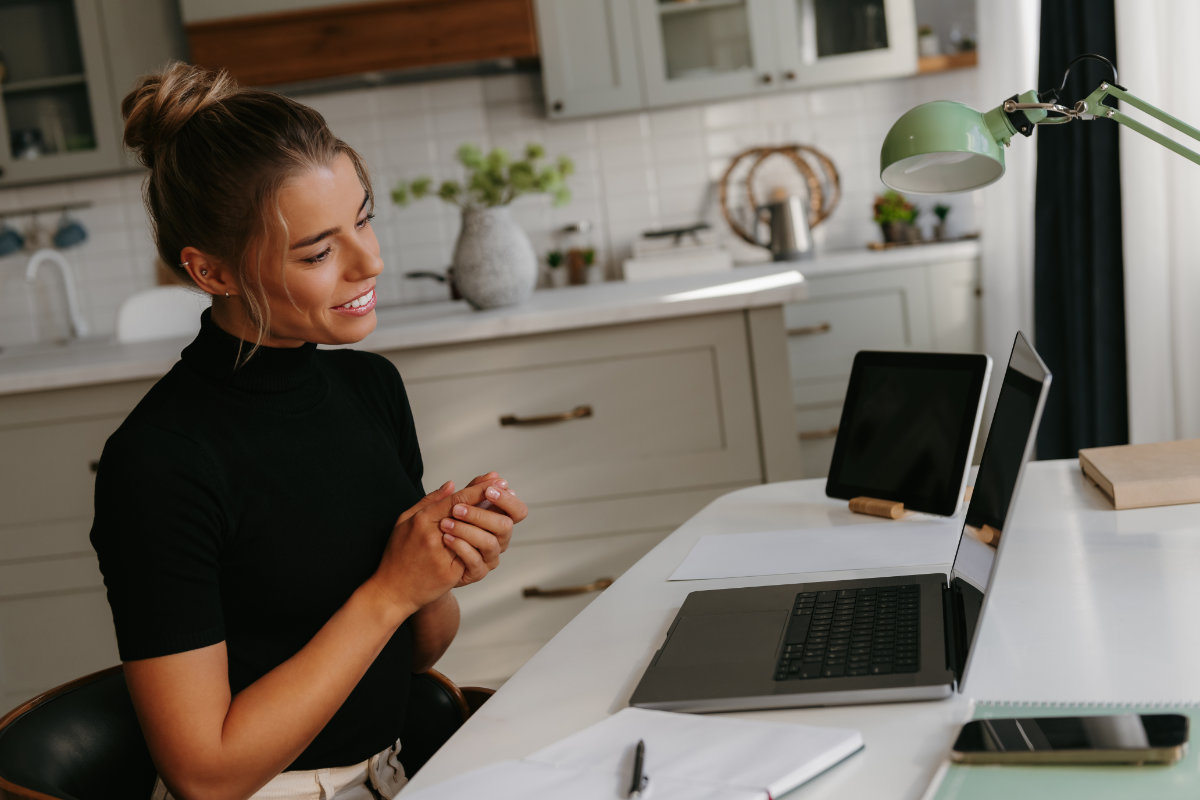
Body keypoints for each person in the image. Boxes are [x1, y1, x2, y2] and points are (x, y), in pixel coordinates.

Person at [89, 61, 527, 800]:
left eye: (363, 218)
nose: (371, 261)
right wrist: (388, 592)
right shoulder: (159, 462)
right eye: (319, 251)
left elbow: (417, 653)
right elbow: (204, 774)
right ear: (212, 271)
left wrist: (439, 565)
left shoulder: (370, 389)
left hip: (394, 775)